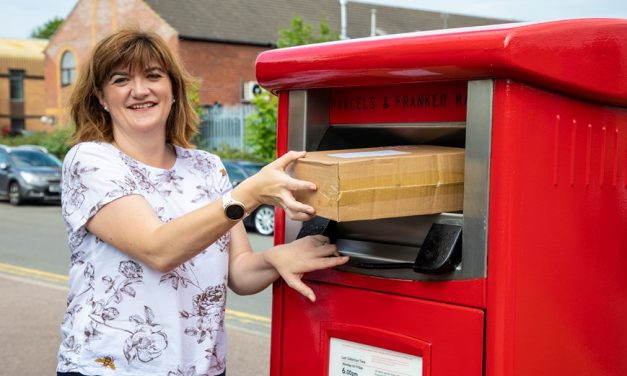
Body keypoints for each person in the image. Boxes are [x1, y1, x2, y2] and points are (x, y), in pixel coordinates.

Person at [57, 29, 348, 376]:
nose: (140, 90)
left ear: (174, 90)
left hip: (201, 368)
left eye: (153, 75)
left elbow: (239, 273)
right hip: (110, 369)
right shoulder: (89, 161)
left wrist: (275, 259)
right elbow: (158, 249)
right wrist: (250, 193)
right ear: (101, 98)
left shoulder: (207, 167)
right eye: (121, 80)